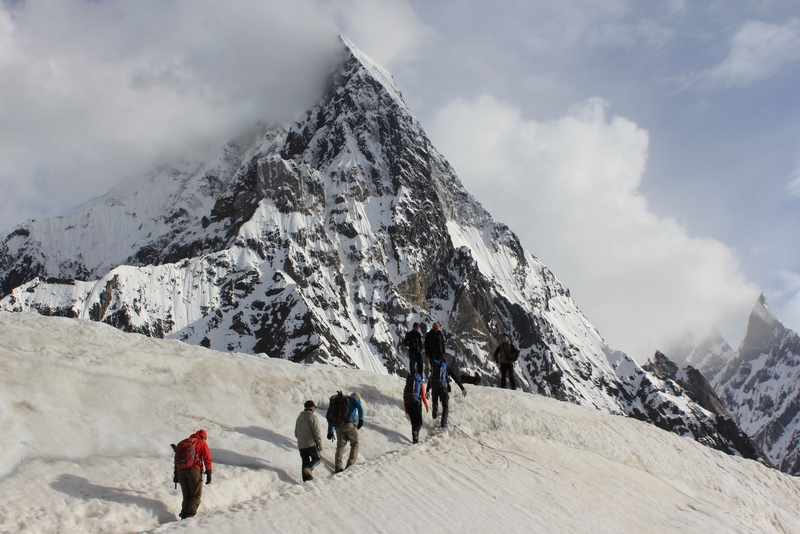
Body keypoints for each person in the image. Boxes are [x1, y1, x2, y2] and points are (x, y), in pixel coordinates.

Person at [173, 429, 212, 520]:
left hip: (181, 470)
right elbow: (207, 458)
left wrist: (176, 473)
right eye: (205, 439)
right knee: (196, 494)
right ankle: (190, 515)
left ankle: (184, 514)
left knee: (186, 494)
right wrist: (209, 472)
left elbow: (176, 458)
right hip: (193, 469)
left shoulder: (182, 442)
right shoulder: (201, 443)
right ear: (203, 437)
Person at [327, 391, 365, 473]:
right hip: (349, 424)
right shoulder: (354, 400)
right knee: (355, 444)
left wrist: (330, 431)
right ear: (358, 397)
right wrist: (361, 419)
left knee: (340, 446)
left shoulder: (339, 402)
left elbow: (333, 416)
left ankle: (338, 466)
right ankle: (350, 466)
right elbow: (360, 408)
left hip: (338, 427)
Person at [427, 354, 466, 429]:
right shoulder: (446, 368)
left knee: (435, 402)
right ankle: (443, 423)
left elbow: (430, 379)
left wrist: (427, 390)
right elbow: (455, 378)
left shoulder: (434, 367)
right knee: (445, 406)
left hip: (434, 387)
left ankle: (435, 409)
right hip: (443, 388)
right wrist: (462, 388)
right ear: (445, 361)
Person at [294, 400, 323, 482]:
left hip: (301, 444)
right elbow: (316, 431)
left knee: (305, 461)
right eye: (314, 408)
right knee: (318, 458)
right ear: (312, 409)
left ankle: (306, 480)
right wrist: (319, 443)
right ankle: (308, 468)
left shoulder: (299, 418)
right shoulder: (312, 417)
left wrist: (301, 439)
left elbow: (296, 432)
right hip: (311, 443)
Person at [402, 373, 429, 443]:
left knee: (413, 422)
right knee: (419, 421)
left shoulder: (408, 385)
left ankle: (415, 439)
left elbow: (404, 396)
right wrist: (426, 405)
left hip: (408, 403)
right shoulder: (420, 384)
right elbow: (423, 396)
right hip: (416, 403)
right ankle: (416, 432)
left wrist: (405, 408)